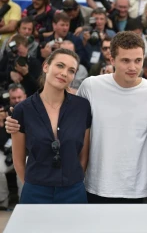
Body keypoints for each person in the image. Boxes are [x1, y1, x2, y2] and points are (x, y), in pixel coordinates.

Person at [5, 32, 147, 204]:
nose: (133, 67)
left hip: (136, 188)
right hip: (93, 186)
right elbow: (68, 114)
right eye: (125, 60)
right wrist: (19, 118)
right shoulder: (91, 86)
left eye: (138, 60)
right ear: (112, 60)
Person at [10, 48, 92, 204]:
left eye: (71, 70)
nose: (64, 73)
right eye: (60, 65)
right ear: (46, 66)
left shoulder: (82, 107)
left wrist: (72, 180)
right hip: (35, 192)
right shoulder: (22, 110)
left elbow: (83, 155)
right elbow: (18, 160)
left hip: (73, 191)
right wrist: (32, 185)